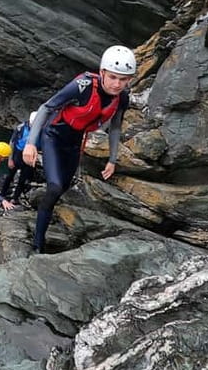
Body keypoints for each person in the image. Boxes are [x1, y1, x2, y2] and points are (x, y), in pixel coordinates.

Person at [23, 45, 135, 253]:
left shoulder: (122, 98)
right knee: (55, 187)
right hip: (53, 137)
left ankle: (43, 205)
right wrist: (30, 143)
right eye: (112, 77)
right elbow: (47, 107)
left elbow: (116, 126)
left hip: (75, 142)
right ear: (102, 73)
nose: (117, 84)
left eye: (123, 79)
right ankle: (38, 244)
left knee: (64, 187)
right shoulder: (82, 85)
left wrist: (112, 159)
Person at [1, 111, 40, 205]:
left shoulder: (41, 130)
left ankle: (15, 197)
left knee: (23, 178)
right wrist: (10, 159)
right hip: (18, 154)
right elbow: (12, 143)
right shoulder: (21, 128)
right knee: (9, 176)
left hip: (30, 154)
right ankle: (2, 195)